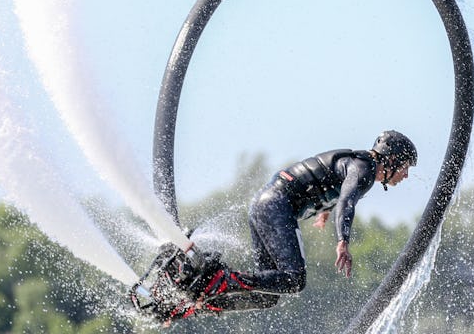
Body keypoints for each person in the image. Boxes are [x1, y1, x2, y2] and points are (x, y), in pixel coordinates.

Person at [171, 130, 417, 319]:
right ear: (392, 159)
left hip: (264, 204)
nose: (405, 175)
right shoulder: (364, 169)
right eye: (405, 168)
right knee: (294, 279)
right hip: (277, 205)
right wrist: (343, 241)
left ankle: (196, 303)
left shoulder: (359, 166)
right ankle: (224, 279)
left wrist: (324, 211)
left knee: (268, 297)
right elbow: (347, 202)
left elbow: (332, 186)